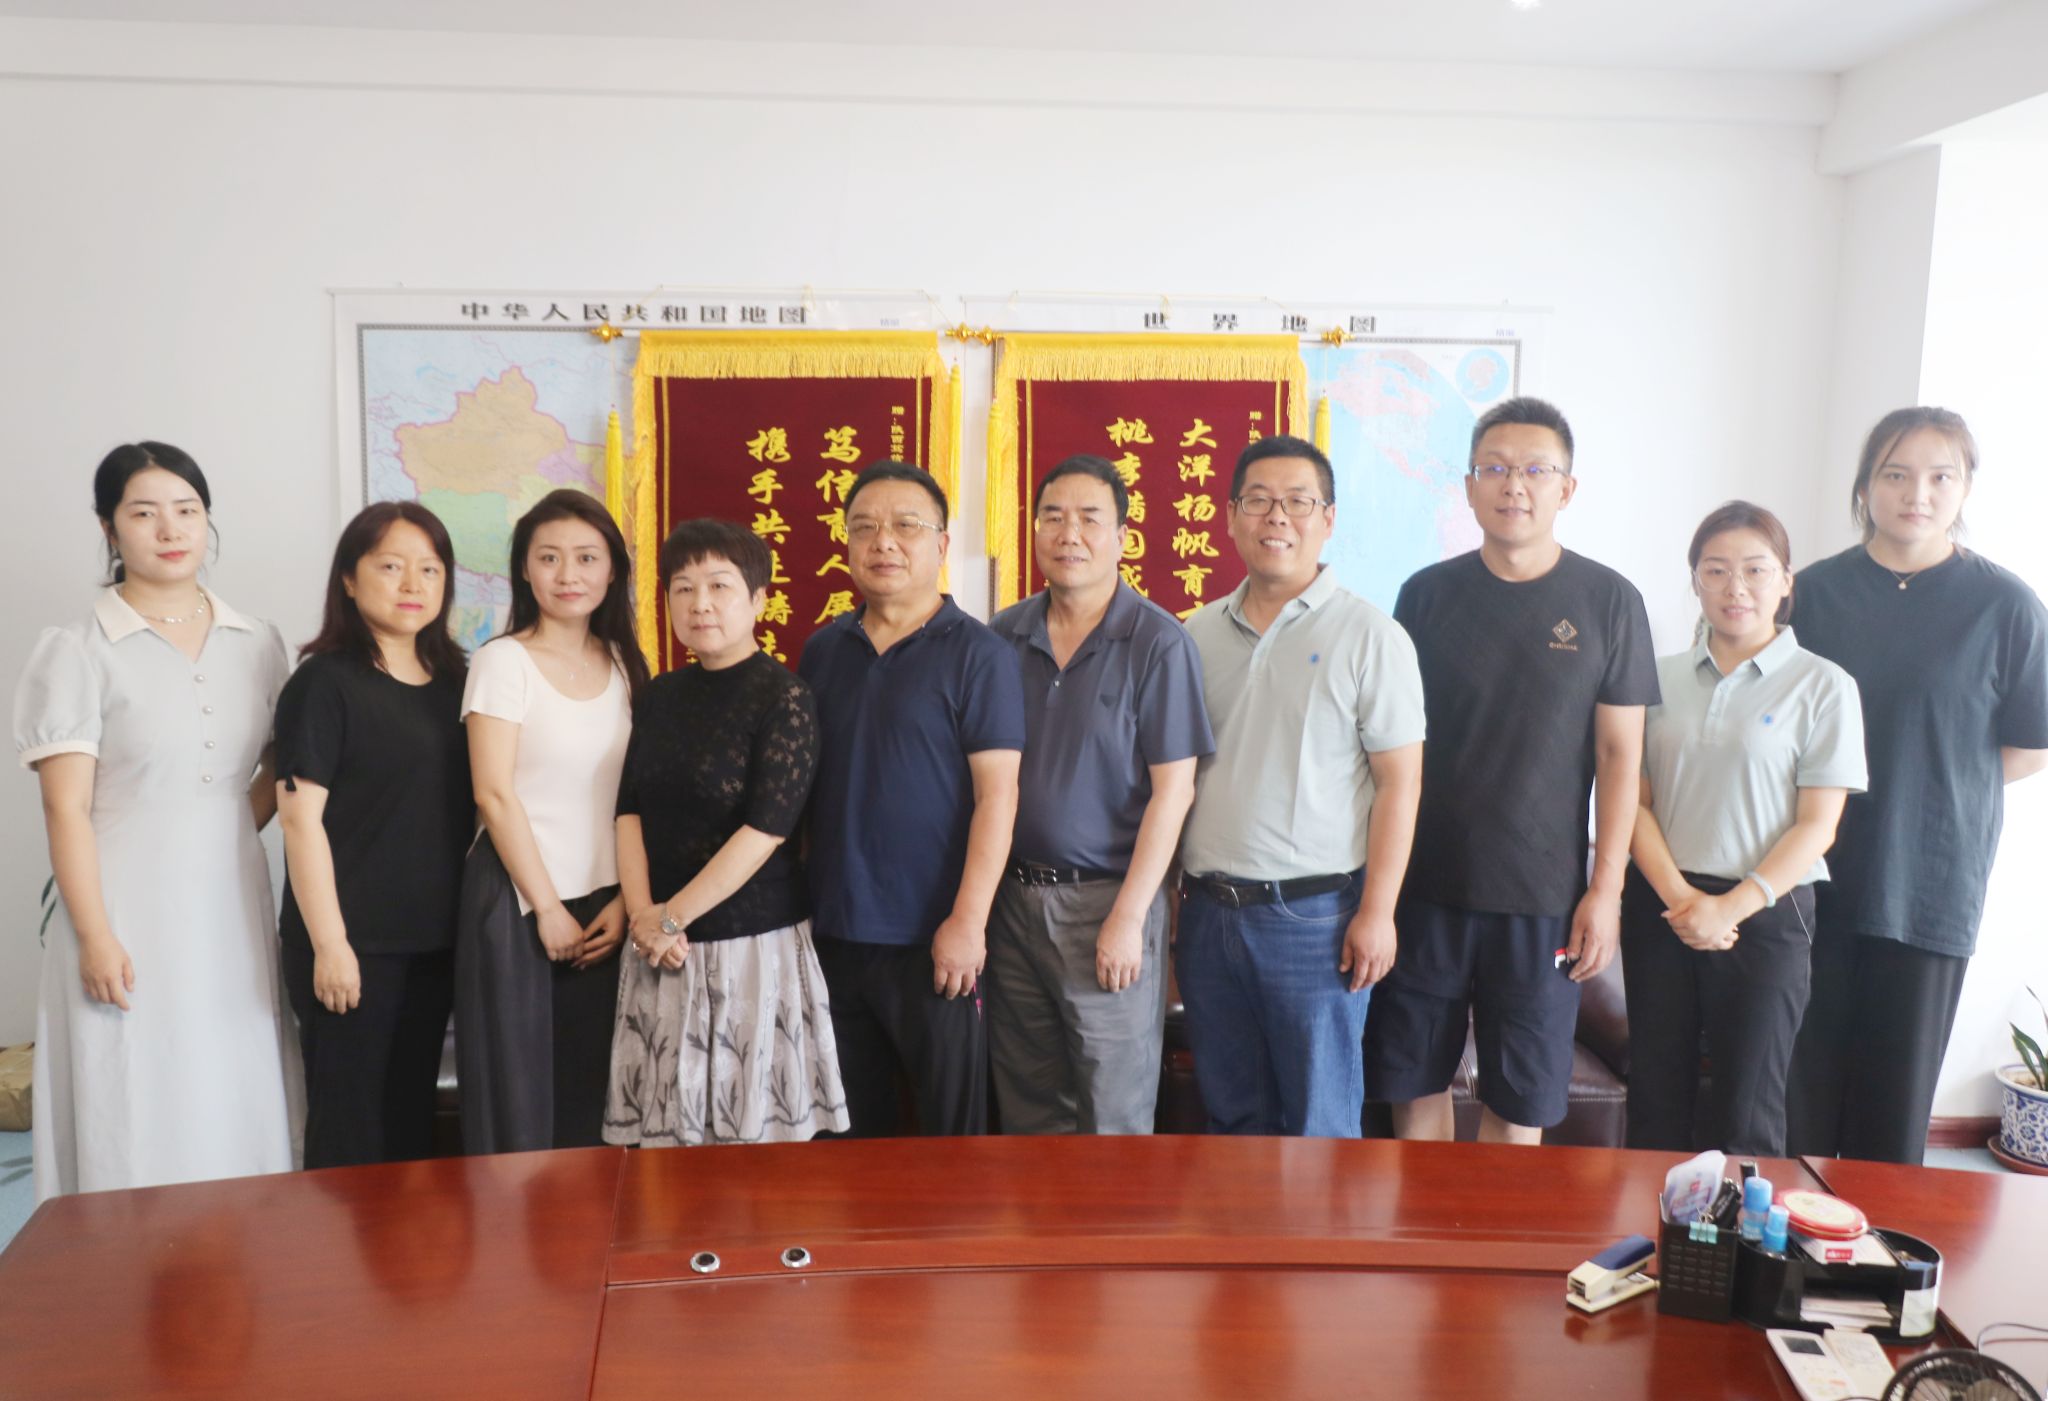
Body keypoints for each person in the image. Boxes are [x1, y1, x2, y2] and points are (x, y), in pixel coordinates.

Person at [1367, 397, 1659, 1146]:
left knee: (1521, 1100)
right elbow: (1394, 746)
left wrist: (1605, 891)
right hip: (1426, 890)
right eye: (1494, 469)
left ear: (1567, 488)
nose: (1514, 485)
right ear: (1469, 487)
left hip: (1545, 900)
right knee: (1414, 1082)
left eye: (1535, 469)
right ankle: (1421, 1222)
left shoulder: (1609, 601)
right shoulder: (1425, 596)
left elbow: (1620, 758)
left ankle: (1491, 1227)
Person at [14, 443, 298, 1201]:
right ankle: (124, 1258)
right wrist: (95, 934)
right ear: (109, 528)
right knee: (134, 1081)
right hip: (120, 907)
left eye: (187, 510)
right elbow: (65, 807)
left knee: (230, 1069)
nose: (170, 530)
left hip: (230, 902)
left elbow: (280, 768)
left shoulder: (258, 641)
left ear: (207, 521)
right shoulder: (77, 649)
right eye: (144, 513)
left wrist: (218, 831)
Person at [1788, 407, 2048, 1164]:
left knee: (1893, 1112)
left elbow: (2029, 746)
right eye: (1896, 474)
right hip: (1809, 874)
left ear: (1965, 487)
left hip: (1931, 881)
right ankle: (1788, 1234)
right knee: (1798, 1100)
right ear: (1866, 484)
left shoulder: (2005, 605)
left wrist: (1938, 782)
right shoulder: (1811, 594)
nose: (1917, 494)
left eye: (1941, 476)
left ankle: (1877, 1242)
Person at [1177, 435, 1425, 1137]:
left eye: (1297, 501)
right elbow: (1176, 777)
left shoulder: (1371, 635)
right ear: (1231, 516)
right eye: (1258, 500)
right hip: (1207, 915)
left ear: (1328, 518)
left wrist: (1378, 912)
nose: (1276, 517)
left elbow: (1400, 784)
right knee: (1231, 1120)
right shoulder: (1194, 634)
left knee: (1319, 1127)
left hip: (1315, 920)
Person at [1623, 502, 1866, 1156]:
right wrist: (1683, 900)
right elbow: (1631, 803)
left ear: (1786, 581)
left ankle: (1741, 1228)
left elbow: (1818, 825)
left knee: (1748, 1109)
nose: (1736, 587)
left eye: (1756, 570)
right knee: (1655, 1098)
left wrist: (1729, 907)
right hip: (1662, 904)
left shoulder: (1824, 685)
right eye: (1716, 570)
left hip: (1767, 911)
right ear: (1695, 580)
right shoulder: (1655, 677)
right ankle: (1646, 1224)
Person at [986, 455, 1213, 1135]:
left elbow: (1174, 791)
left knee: (1113, 1114)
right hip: (1012, 903)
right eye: (1053, 516)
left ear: (1121, 537)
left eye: (1089, 518)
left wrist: (1129, 917)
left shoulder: (1158, 641)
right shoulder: (1002, 636)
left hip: (1106, 903)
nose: (1069, 533)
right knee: (1029, 1106)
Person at [603, 519, 848, 1146]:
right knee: (666, 1140)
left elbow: (766, 830)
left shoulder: (784, 697)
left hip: (748, 949)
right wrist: (643, 917)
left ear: (759, 599)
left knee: (751, 1140)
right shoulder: (658, 695)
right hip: (660, 951)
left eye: (719, 586)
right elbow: (628, 810)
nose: (700, 604)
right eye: (683, 589)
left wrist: (670, 918)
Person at [798, 461, 1024, 1137]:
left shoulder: (980, 654)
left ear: (942, 544)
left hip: (935, 940)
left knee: (950, 1137)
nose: (884, 542)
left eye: (906, 525)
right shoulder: (822, 651)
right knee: (848, 1135)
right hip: (834, 934)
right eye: (864, 527)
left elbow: (998, 796)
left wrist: (967, 922)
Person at [274, 502, 474, 1169]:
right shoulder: (324, 682)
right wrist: (331, 945)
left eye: (430, 569)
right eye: (390, 567)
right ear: (349, 579)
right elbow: (299, 820)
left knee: (412, 1123)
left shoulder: (459, 681)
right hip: (352, 946)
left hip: (434, 944)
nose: (412, 584)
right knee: (350, 1130)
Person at [455, 489, 644, 1154]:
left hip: (607, 905)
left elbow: (636, 798)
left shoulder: (625, 663)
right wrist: (547, 908)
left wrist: (627, 900)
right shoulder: (502, 660)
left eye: (587, 557)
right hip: (518, 899)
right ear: (525, 569)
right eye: (550, 557)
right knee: (520, 1095)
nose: (569, 574)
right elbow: (493, 794)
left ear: (612, 571)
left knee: (599, 1092)